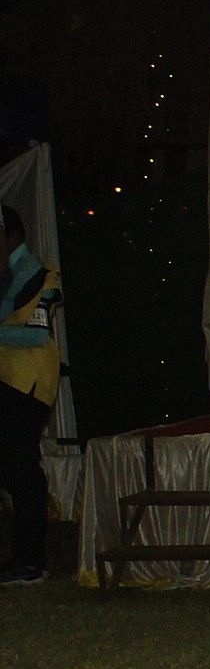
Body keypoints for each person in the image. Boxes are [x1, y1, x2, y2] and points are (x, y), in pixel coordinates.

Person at [0, 204, 60, 586]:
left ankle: (30, 561)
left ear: (13, 237)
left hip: (29, 383)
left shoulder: (39, 274)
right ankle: (24, 557)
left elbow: (36, 335)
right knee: (15, 470)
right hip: (9, 382)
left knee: (21, 470)